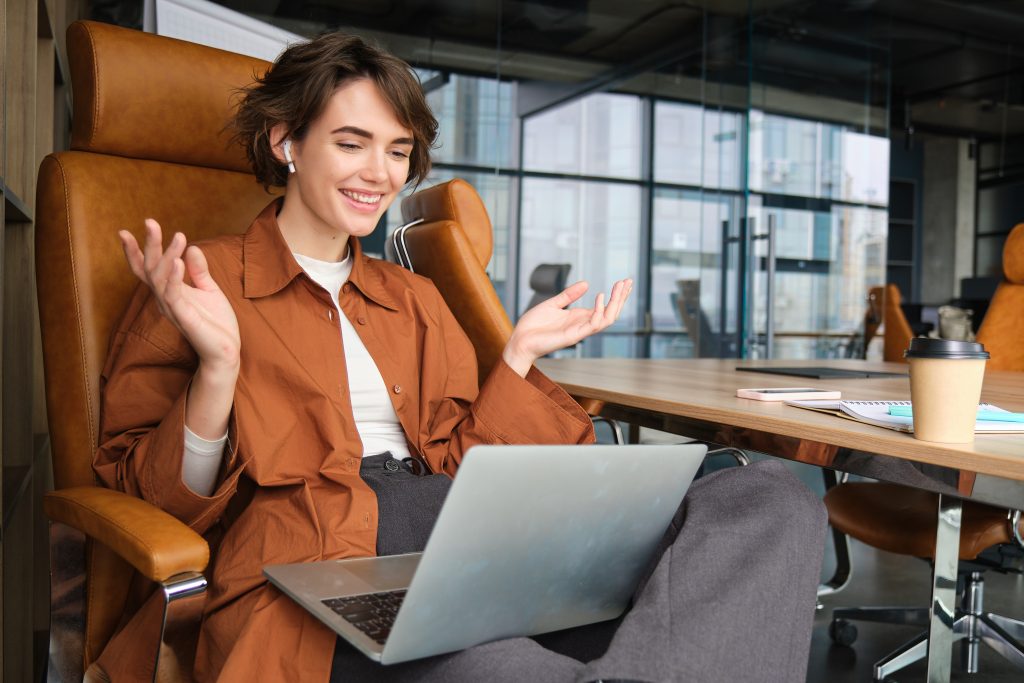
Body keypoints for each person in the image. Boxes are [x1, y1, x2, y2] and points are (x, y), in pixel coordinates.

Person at [93, 31, 826, 683]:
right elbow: (149, 499)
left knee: (768, 497)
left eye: (399, 150)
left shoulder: (413, 297)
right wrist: (218, 372)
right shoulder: (200, 281)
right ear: (286, 139)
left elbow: (464, 459)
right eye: (352, 142)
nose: (379, 173)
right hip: (318, 561)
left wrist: (515, 359)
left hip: (459, 535)